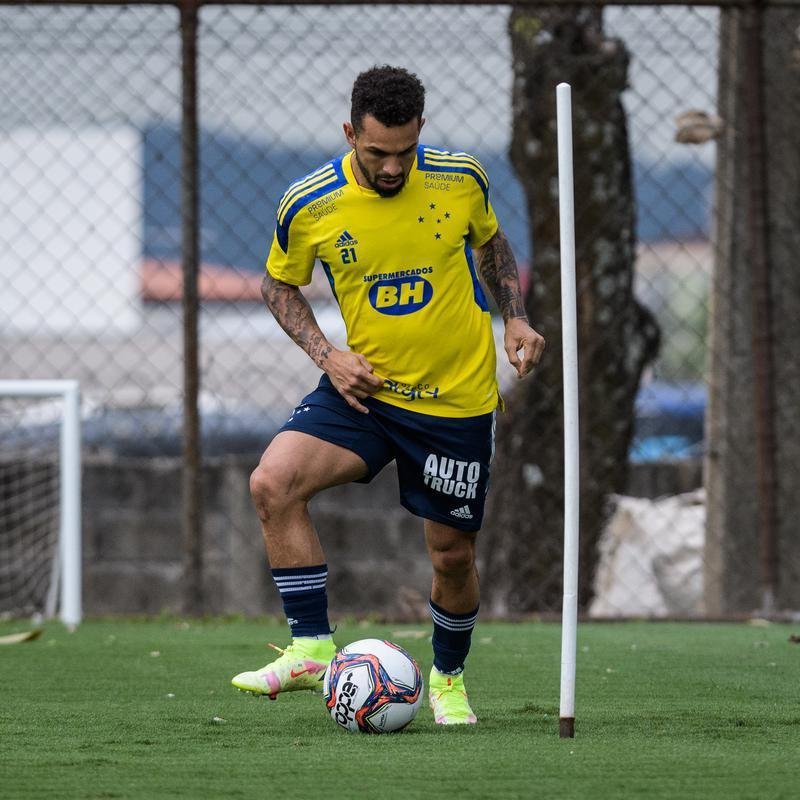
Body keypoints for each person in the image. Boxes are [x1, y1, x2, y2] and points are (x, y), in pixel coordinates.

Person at [231, 65, 545, 725]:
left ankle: (449, 679)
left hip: (457, 402)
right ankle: (312, 647)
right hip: (366, 391)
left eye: (404, 151)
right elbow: (276, 286)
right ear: (350, 133)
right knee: (273, 482)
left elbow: (491, 245)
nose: (393, 167)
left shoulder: (462, 178)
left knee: (452, 555)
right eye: (377, 153)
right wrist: (328, 356)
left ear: (420, 133)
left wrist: (513, 315)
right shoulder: (309, 202)